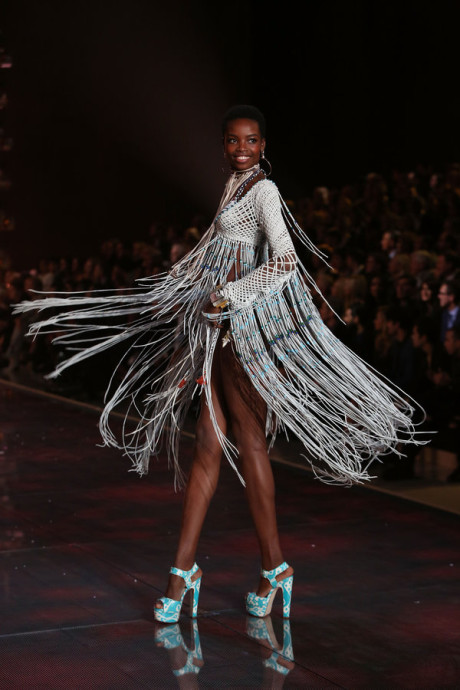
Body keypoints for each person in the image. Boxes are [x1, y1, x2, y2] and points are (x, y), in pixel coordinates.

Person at [15, 105, 426, 624]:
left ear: (263, 144)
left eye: (250, 141)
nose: (241, 149)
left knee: (247, 443)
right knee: (209, 444)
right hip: (215, 332)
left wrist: (230, 294)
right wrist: (189, 291)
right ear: (223, 144)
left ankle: (265, 567)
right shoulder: (232, 187)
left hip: (243, 333)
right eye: (233, 141)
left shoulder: (265, 192)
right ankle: (196, 572)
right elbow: (219, 250)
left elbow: (284, 262)